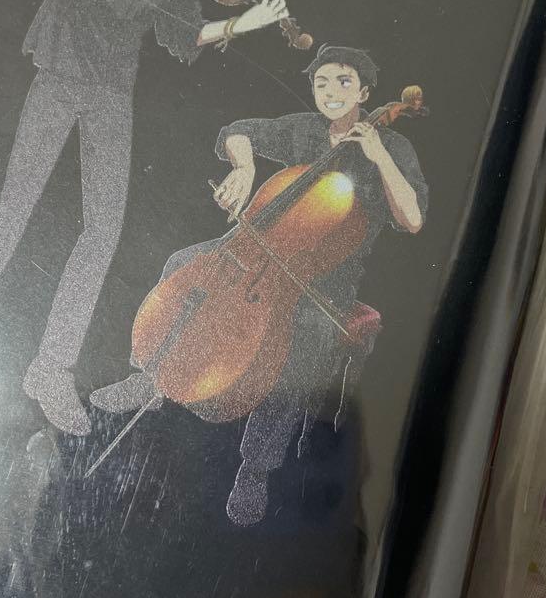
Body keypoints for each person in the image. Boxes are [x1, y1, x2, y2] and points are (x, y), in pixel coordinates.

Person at [0, 0, 289, 436]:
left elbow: (183, 38)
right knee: (17, 201)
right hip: (59, 71)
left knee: (102, 229)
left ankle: (50, 369)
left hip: (111, 91)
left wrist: (244, 23)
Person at [90, 45, 429, 525]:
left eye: (344, 82)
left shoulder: (392, 147)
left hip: (322, 281)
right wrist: (245, 167)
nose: (331, 92)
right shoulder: (307, 129)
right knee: (184, 262)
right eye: (321, 83)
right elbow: (238, 132)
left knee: (306, 339)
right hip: (254, 250)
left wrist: (379, 157)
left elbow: (412, 218)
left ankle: (255, 467)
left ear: (365, 92)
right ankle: (149, 375)